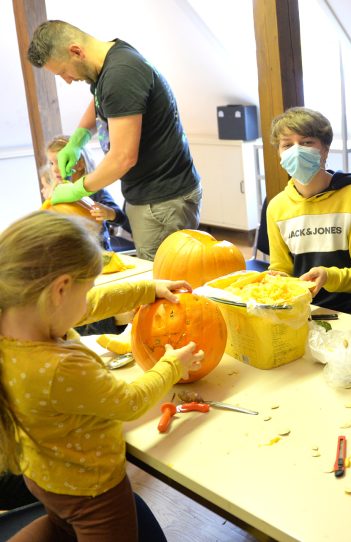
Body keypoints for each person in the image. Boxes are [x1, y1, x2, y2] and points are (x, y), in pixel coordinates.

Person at [0, 211, 205, 540]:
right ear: (60, 290)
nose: (86, 302)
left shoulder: (18, 320)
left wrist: (146, 289)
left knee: (61, 524)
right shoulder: (59, 367)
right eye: (85, 289)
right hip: (92, 490)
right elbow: (129, 402)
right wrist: (172, 365)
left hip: (44, 475)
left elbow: (87, 305)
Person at [27, 20, 202, 261]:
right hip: (152, 195)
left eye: (63, 72)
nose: (67, 80)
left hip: (162, 202)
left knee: (163, 284)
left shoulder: (121, 74)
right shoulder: (109, 64)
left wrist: (77, 189)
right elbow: (102, 100)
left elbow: (123, 158)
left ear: (76, 51)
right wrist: (78, 138)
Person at [266, 107, 351, 317]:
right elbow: (281, 270)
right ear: (279, 153)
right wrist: (273, 279)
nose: (296, 151)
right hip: (301, 312)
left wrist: (329, 277)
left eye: (306, 143)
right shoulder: (277, 207)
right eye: (287, 145)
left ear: (325, 149)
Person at [43, 134, 132, 252]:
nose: (54, 169)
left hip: (99, 254)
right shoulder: (57, 193)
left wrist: (108, 213)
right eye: (52, 163)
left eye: (61, 161)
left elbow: (120, 218)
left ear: (80, 164)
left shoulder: (95, 191)